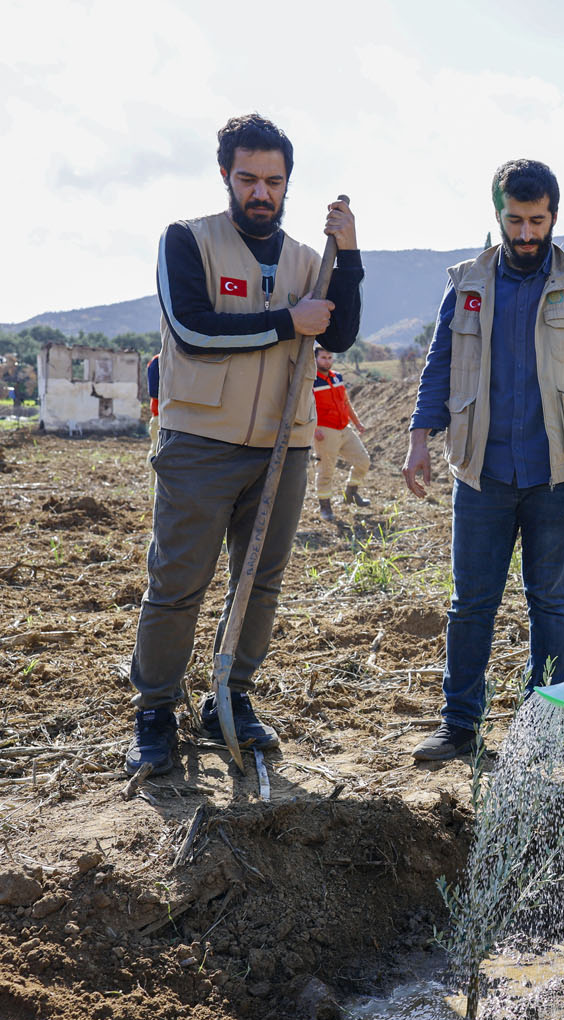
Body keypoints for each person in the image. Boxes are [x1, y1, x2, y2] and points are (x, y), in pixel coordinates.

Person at [126, 113, 364, 774]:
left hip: (284, 444)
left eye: (274, 181)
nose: (261, 192)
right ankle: (155, 710)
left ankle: (229, 696)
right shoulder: (188, 241)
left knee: (260, 580)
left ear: (288, 183)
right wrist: (289, 320)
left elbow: (340, 335)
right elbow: (194, 330)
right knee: (178, 579)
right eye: (248, 179)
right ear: (226, 176)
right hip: (200, 441)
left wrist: (350, 255)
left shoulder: (309, 260)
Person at [402, 158, 564, 761]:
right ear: (498, 214)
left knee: (548, 598)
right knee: (471, 601)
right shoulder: (467, 284)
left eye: (537, 221)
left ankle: (542, 730)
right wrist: (420, 438)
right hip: (482, 469)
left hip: (561, 468)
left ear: (554, 216)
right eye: (516, 220)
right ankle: (459, 725)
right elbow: (440, 364)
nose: (526, 234)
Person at [312, 344, 371, 521]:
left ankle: (351, 493)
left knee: (363, 461)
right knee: (326, 470)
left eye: (329, 358)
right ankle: (325, 507)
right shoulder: (310, 380)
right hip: (325, 430)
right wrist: (314, 429)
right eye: (323, 358)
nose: (327, 361)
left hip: (345, 428)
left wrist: (357, 423)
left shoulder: (337, 377)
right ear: (315, 359)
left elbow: (346, 402)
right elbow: (304, 407)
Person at [145, 353, 160, 493]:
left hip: (179, 418)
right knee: (157, 459)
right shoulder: (158, 361)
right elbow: (154, 391)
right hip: (161, 417)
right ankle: (154, 498)